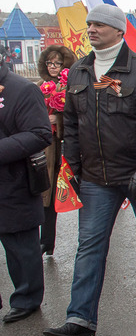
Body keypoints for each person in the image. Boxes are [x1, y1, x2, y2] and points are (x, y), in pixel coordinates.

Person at [43, 5, 136, 336]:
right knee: (89, 244)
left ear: (119, 30)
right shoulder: (79, 72)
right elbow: (71, 124)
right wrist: (69, 165)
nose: (92, 29)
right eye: (89, 24)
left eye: (100, 24)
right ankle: (80, 318)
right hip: (95, 177)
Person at [0, 59, 53, 323]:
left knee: (21, 247)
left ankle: (27, 299)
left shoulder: (21, 89)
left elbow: (40, 134)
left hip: (13, 181)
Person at [37, 44, 77, 256]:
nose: (53, 67)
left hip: (69, 147)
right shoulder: (38, 87)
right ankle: (46, 241)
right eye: (49, 63)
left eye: (57, 63)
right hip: (47, 148)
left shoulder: (71, 85)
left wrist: (59, 119)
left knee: (78, 193)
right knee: (48, 194)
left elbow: (79, 114)